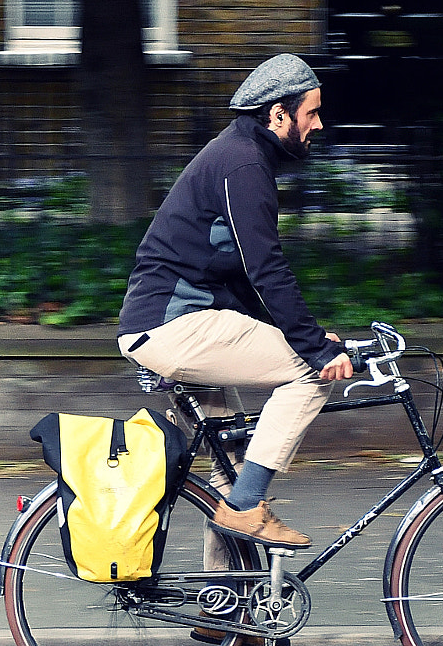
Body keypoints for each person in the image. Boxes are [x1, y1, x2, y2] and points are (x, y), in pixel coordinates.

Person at [117, 53, 353, 551]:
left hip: (174, 324)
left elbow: (243, 273)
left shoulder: (240, 154)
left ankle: (224, 616)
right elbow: (266, 267)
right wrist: (314, 349)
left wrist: (304, 336)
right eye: (310, 113)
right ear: (277, 114)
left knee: (232, 461)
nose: (318, 124)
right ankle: (247, 507)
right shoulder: (244, 163)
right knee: (310, 375)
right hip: (178, 326)